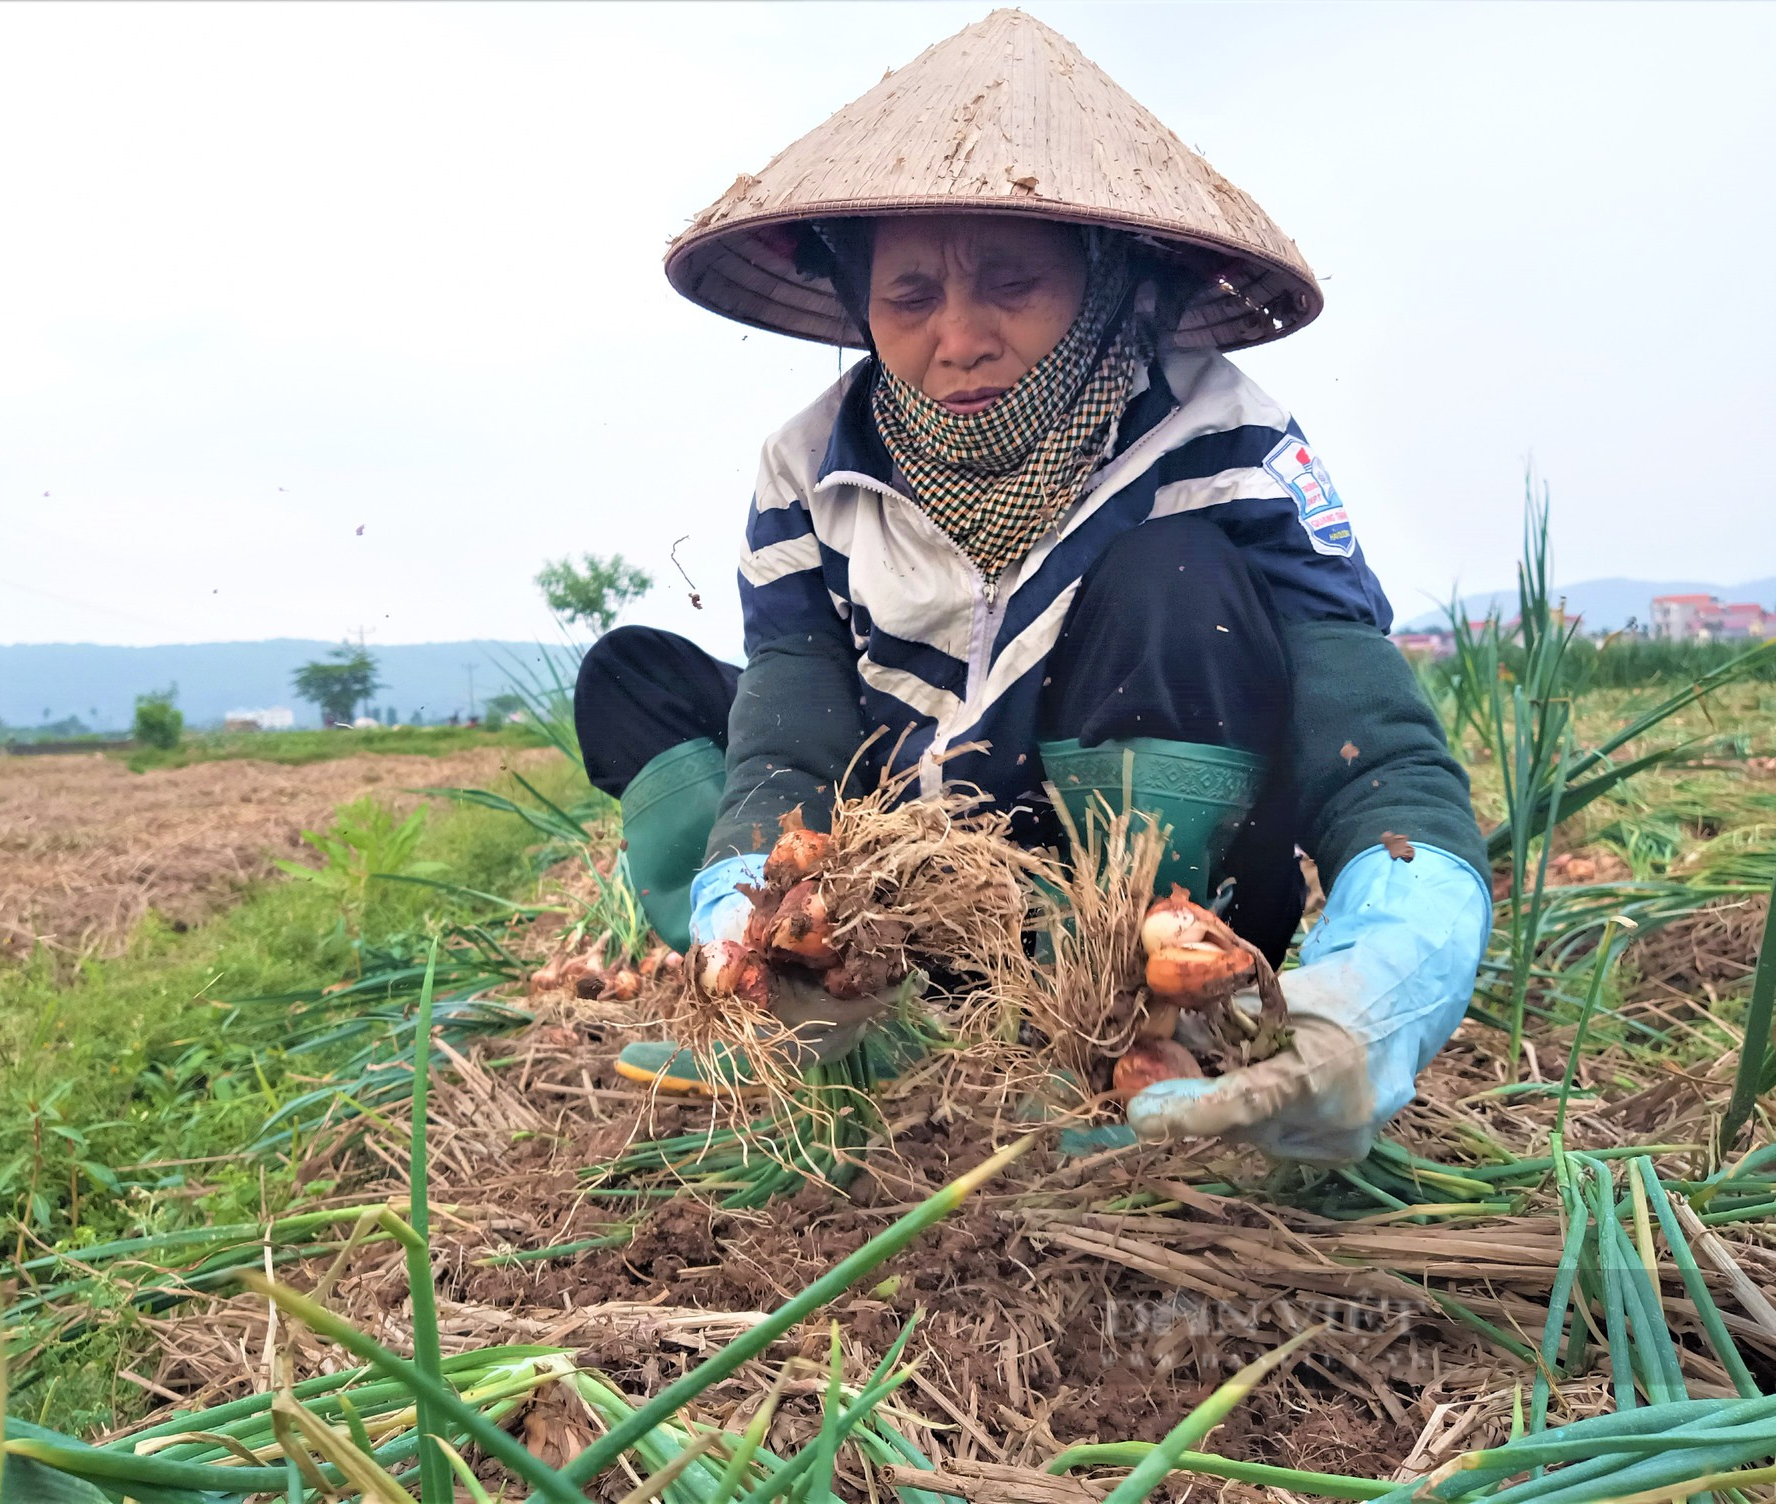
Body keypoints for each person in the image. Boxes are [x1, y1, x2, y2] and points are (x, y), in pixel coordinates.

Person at [575, 10, 1489, 1165]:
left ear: (1107, 281)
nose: (957, 338)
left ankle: (1120, 1023)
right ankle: (812, 1000)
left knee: (1176, 576)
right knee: (633, 680)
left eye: (1010, 283)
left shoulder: (1224, 438)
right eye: (908, 297)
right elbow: (787, 745)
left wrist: (1380, 986)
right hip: (912, 872)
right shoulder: (803, 465)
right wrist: (744, 923)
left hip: (1137, 882)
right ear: (858, 301)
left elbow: (1378, 753)